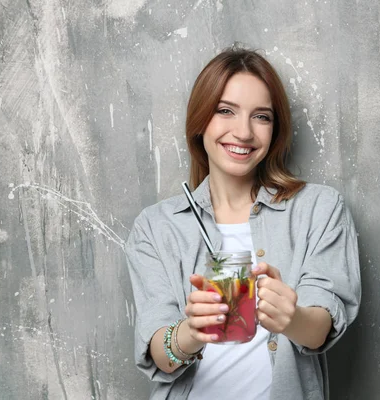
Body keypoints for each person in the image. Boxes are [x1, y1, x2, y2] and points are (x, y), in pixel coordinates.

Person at [125, 46, 361, 400]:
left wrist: (290, 317)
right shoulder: (156, 227)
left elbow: (321, 328)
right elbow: (161, 353)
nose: (244, 132)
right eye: (225, 111)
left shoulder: (319, 209)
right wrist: (192, 331)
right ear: (200, 120)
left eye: (261, 116)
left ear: (275, 128)